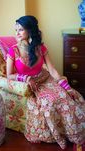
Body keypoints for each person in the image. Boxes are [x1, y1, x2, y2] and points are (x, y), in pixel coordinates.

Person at [6, 15, 85, 149]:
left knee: (66, 97)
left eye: (20, 30)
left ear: (30, 31)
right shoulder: (13, 50)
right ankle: (60, 137)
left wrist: (67, 87)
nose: (17, 33)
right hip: (33, 85)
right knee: (50, 102)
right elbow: (9, 75)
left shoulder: (40, 48)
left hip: (46, 78)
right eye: (16, 30)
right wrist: (25, 78)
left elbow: (52, 70)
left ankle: (76, 136)